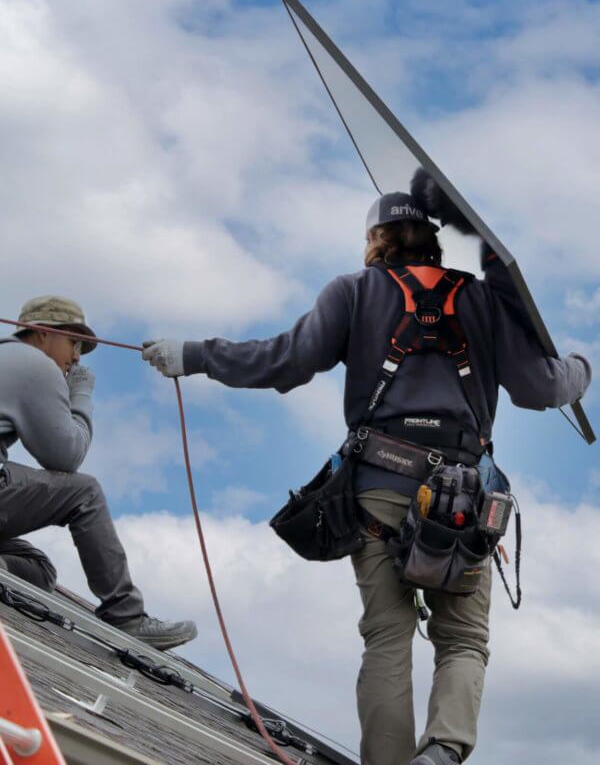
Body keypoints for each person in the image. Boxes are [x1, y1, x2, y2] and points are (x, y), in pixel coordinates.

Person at [142, 192, 591, 763]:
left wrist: (196, 354)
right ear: (431, 237)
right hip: (464, 499)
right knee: (462, 640)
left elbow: (287, 360)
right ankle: (444, 752)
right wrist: (582, 369)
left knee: (386, 635)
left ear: (375, 240)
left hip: (380, 486)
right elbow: (541, 388)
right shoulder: (480, 299)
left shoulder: (353, 291)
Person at [0, 296, 197, 651]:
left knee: (36, 569)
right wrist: (80, 394)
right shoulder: (33, 364)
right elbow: (66, 457)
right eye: (73, 343)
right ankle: (127, 616)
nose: (76, 357)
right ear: (43, 334)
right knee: (84, 492)